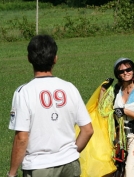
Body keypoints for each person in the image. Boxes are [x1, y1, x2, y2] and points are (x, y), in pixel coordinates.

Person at [7, 35, 94, 177]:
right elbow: (88, 130)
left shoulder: (23, 92)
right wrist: (70, 153)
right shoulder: (69, 88)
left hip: (39, 167)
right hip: (70, 165)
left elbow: (22, 138)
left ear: (29, 58)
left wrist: (12, 173)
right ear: (55, 58)